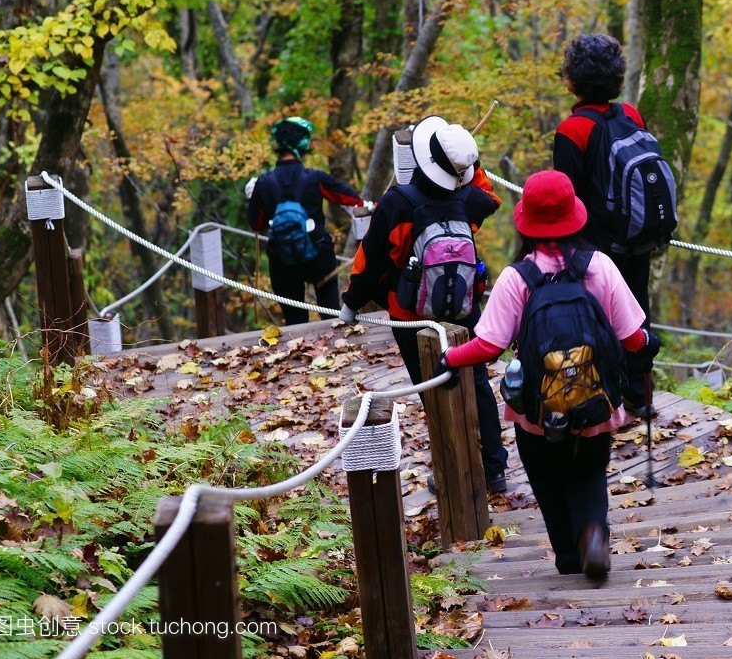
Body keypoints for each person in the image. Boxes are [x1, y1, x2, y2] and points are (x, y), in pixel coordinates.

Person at [437, 170, 659, 579]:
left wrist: (450, 359)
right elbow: (631, 337)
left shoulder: (516, 279)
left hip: (537, 411)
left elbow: (488, 346)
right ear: (575, 216)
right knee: (590, 472)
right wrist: (648, 342)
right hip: (596, 403)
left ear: (528, 223)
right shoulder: (601, 268)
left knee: (547, 478)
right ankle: (593, 532)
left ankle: (567, 557)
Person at [340, 116, 509, 493]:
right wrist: (471, 167)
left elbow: (372, 260)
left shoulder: (397, 203)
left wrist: (351, 301)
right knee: (477, 381)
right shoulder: (468, 199)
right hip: (464, 307)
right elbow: (492, 199)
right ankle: (494, 469)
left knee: (433, 388)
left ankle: (452, 472)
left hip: (411, 313)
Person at [552, 34, 676, 417]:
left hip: (595, 247)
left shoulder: (571, 130)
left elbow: (565, 199)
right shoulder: (631, 114)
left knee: (597, 321)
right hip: (637, 238)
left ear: (572, 79)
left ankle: (606, 402)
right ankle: (641, 397)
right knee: (637, 314)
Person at [247, 116, 371, 326]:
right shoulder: (315, 178)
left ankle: (299, 353)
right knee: (330, 313)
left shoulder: (263, 182)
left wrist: (253, 196)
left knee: (295, 319)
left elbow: (256, 224)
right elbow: (354, 201)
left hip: (282, 260)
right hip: (318, 257)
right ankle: (337, 351)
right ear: (303, 145)